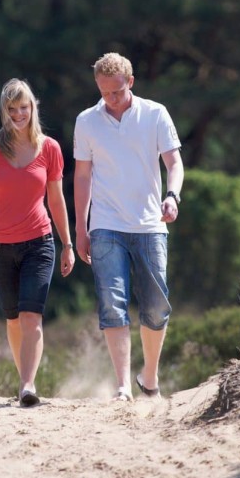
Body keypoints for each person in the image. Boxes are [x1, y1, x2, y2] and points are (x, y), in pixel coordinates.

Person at [73, 52, 184, 402]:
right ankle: (122, 386)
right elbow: (82, 176)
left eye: (117, 92)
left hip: (150, 223)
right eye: (105, 92)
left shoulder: (155, 114)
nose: (111, 99)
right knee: (112, 302)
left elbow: (174, 162)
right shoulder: (87, 121)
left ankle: (148, 377)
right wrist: (81, 227)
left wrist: (172, 196)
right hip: (105, 224)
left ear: (130, 82)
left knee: (155, 306)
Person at [0, 78, 75, 407]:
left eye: (23, 107)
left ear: (33, 108)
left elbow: (56, 201)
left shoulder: (50, 148)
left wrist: (67, 243)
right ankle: (23, 375)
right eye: (11, 109)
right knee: (13, 318)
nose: (18, 114)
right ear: (4, 111)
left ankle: (28, 385)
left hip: (40, 243)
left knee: (31, 317)